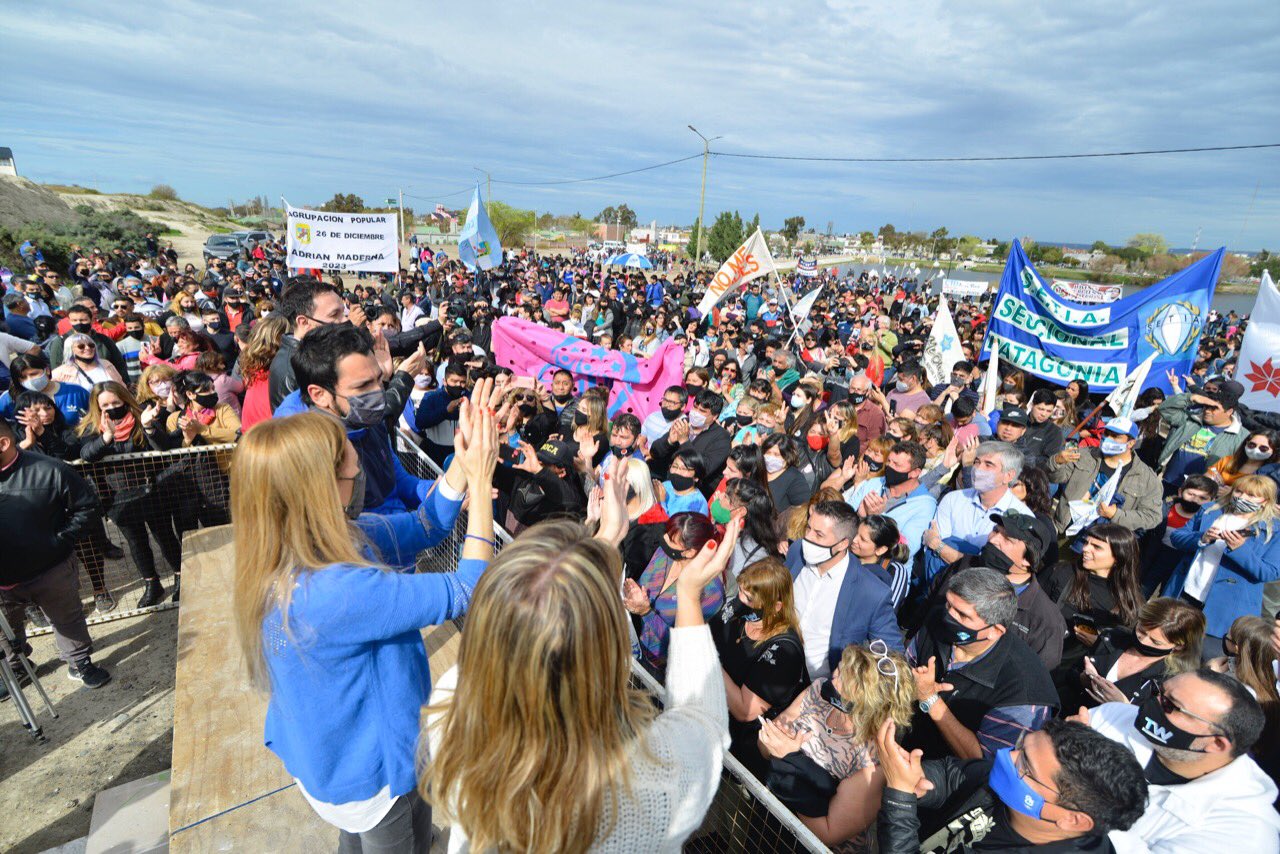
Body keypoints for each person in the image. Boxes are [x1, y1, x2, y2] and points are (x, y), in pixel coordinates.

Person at [232, 401, 496, 853]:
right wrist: (485, 483)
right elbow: (468, 589)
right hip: (372, 775)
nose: (360, 468)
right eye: (350, 466)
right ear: (322, 488)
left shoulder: (311, 543)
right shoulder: (335, 590)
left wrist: (464, 466)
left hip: (327, 754)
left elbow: (425, 524)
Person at [424, 514, 730, 852]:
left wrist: (601, 541)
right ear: (603, 653)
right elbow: (704, 722)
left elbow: (543, 601)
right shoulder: (642, 787)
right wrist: (688, 597)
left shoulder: (451, 704)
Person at [876, 718, 1148, 854]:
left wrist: (900, 800)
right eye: (1021, 745)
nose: (1008, 757)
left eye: (1025, 766)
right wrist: (920, 780)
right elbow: (954, 775)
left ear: (1072, 819)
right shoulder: (1004, 785)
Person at [1083, 669, 1280, 853]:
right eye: (1159, 692)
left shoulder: (1243, 834)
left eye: (1172, 706)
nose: (1153, 705)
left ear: (1217, 744)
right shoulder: (1116, 716)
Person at [760, 642, 916, 851]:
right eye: (840, 667)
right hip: (767, 820)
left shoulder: (876, 759)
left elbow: (828, 833)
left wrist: (789, 758)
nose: (834, 674)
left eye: (844, 676)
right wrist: (774, 745)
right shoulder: (819, 692)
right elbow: (765, 742)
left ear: (867, 698)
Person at [0, 419, 111, 693]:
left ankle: (79, 662)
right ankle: (18, 665)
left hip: (51, 568)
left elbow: (86, 507)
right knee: (5, 631)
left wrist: (59, 540)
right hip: (3, 582)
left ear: (3, 443)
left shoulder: (50, 469)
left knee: (67, 618)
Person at [903, 568, 1059, 761]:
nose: (948, 616)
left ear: (994, 631)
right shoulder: (936, 621)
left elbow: (986, 762)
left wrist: (931, 700)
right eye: (948, 604)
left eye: (962, 615)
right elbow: (904, 668)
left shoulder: (1022, 691)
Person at [78, 381, 183, 606]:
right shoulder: (91, 427)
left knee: (165, 537)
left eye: (116, 402)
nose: (112, 407)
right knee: (136, 542)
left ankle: (180, 577)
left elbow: (162, 448)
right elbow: (86, 454)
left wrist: (149, 427)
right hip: (118, 498)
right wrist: (106, 438)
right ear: (97, 406)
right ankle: (151, 583)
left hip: (151, 490)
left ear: (125, 400)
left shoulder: (140, 418)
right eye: (105, 404)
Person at [712, 556, 810, 780]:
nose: (739, 600)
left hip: (741, 755)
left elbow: (745, 710)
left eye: (749, 597)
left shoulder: (784, 650)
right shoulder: (736, 609)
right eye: (741, 591)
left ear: (775, 607)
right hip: (713, 727)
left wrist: (710, 661)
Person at [1162, 474, 1280, 656]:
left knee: (1204, 663)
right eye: (1239, 491)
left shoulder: (1273, 530)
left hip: (1224, 611)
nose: (1242, 498)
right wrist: (1201, 538)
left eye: (1251, 495)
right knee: (1166, 650)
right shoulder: (1211, 510)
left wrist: (1239, 549)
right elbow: (1177, 537)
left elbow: (1269, 572)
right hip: (1186, 595)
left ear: (1265, 501)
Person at [785, 500, 903, 680]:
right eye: (808, 528)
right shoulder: (797, 552)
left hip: (815, 687)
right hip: (773, 664)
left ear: (842, 544)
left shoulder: (872, 593)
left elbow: (893, 656)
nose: (808, 538)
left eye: (818, 535)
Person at [624, 511, 725, 678]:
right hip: (629, 641)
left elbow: (683, 644)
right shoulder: (665, 554)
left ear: (690, 552)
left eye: (671, 540)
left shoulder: (711, 593)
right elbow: (645, 582)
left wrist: (646, 613)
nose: (664, 539)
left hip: (656, 667)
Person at [1064, 597, 1205, 712]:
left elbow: (1159, 727)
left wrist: (1125, 707)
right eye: (1141, 631)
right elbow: (1069, 674)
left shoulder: (1173, 681)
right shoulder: (1112, 638)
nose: (1142, 640)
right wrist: (1082, 679)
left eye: (1155, 642)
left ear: (1179, 647)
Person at [1041, 523, 1144, 674]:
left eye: (1097, 547)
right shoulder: (1061, 572)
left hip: (1071, 674)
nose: (1085, 549)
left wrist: (1099, 643)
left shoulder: (1130, 601)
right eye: (1086, 542)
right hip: (1038, 653)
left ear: (1119, 557)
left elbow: (1128, 651)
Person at [923, 441, 1032, 582]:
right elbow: (933, 555)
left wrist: (940, 546)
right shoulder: (953, 499)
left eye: (988, 465)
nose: (978, 469)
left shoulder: (1022, 518)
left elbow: (995, 570)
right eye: (976, 462)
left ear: (1008, 476)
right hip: (937, 583)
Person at [1048, 416, 1164, 536]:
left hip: (1106, 541)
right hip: (1067, 528)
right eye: (1106, 433)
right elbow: (1055, 478)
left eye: (1115, 436)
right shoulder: (1084, 454)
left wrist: (1116, 515)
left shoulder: (1147, 478)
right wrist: (1057, 462)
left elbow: (1152, 517)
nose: (1108, 438)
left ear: (1131, 443)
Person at [843, 440, 938, 567]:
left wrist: (876, 519)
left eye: (896, 465)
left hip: (884, 571)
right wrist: (860, 516)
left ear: (915, 473)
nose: (889, 467)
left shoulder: (926, 505)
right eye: (888, 461)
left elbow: (904, 551)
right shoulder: (875, 483)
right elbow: (843, 517)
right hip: (851, 556)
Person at [268, 278, 346, 410]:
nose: (344, 320)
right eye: (334, 315)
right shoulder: (292, 369)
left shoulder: (315, 353)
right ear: (304, 322)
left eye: (343, 313)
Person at [1157, 384, 1246, 494]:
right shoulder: (1189, 420)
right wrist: (1191, 398)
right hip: (1169, 482)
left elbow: (1242, 468)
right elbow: (1164, 408)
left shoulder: (1242, 437)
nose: (1208, 411)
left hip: (1202, 493)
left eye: (1214, 408)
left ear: (1229, 411)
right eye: (1206, 406)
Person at [648, 388, 731, 494]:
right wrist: (669, 441)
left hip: (694, 491)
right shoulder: (684, 423)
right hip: (667, 481)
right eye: (695, 407)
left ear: (715, 416)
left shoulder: (722, 437)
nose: (696, 413)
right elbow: (654, 452)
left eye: (702, 411)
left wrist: (684, 441)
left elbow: (704, 469)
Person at [0, 352, 90, 427]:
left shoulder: (75, 392)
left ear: (46, 370)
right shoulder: (9, 398)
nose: (30, 380)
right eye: (23, 377)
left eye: (34, 374)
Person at [849, 514, 911, 608]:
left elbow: (887, 610)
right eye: (856, 533)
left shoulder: (893, 571)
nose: (854, 540)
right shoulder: (844, 553)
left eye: (863, 539)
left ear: (880, 549)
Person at [1209, 427, 1280, 487]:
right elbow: (1208, 476)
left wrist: (1233, 492)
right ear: (1246, 443)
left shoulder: (1271, 473)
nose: (1255, 450)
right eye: (1252, 445)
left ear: (1274, 451)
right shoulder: (1228, 460)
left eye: (1263, 448)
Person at [53, 333, 125, 392]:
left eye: (91, 345)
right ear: (71, 350)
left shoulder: (106, 364)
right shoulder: (60, 373)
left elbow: (123, 388)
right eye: (81, 346)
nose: (87, 348)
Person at [659, 447, 710, 515]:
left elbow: (674, 525)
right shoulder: (665, 485)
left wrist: (661, 503)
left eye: (684, 469)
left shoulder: (697, 504)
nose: (677, 471)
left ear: (696, 477)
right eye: (674, 466)